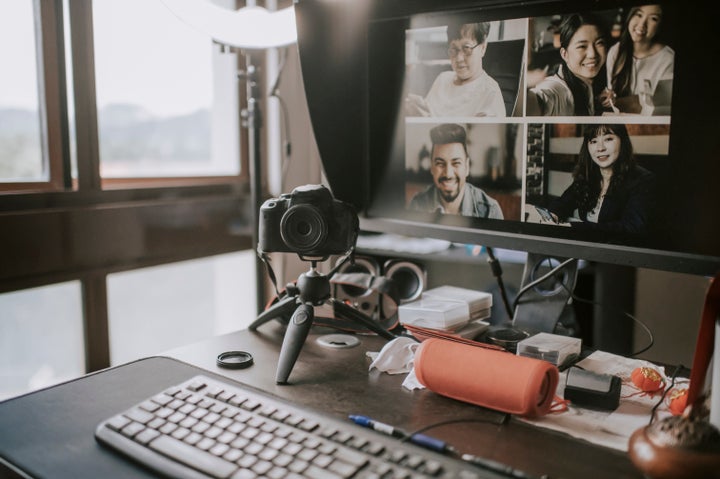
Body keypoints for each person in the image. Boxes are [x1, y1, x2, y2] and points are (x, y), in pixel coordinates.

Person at [545, 124, 655, 238]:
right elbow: (563, 202)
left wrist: (574, 227)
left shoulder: (642, 180)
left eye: (608, 139)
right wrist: (553, 215)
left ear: (623, 141)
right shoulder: (589, 176)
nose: (600, 148)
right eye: (593, 141)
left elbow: (632, 227)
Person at [405, 21, 507, 117]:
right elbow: (428, 116)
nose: (459, 58)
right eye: (454, 49)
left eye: (466, 48)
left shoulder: (490, 92)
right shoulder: (442, 79)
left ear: (483, 47)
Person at [409, 123, 504, 219]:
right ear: (432, 167)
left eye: (456, 163)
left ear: (467, 167)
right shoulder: (417, 205)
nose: (448, 174)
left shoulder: (490, 211)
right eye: (440, 163)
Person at [528, 13, 609, 116]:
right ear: (564, 54)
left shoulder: (589, 83)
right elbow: (534, 104)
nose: (592, 54)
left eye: (599, 43)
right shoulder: (558, 89)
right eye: (582, 46)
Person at [599, 5, 674, 115]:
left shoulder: (668, 59)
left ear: (660, 25)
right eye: (639, 15)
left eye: (653, 18)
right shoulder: (616, 51)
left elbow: (660, 106)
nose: (642, 24)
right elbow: (612, 94)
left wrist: (619, 102)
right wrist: (608, 98)